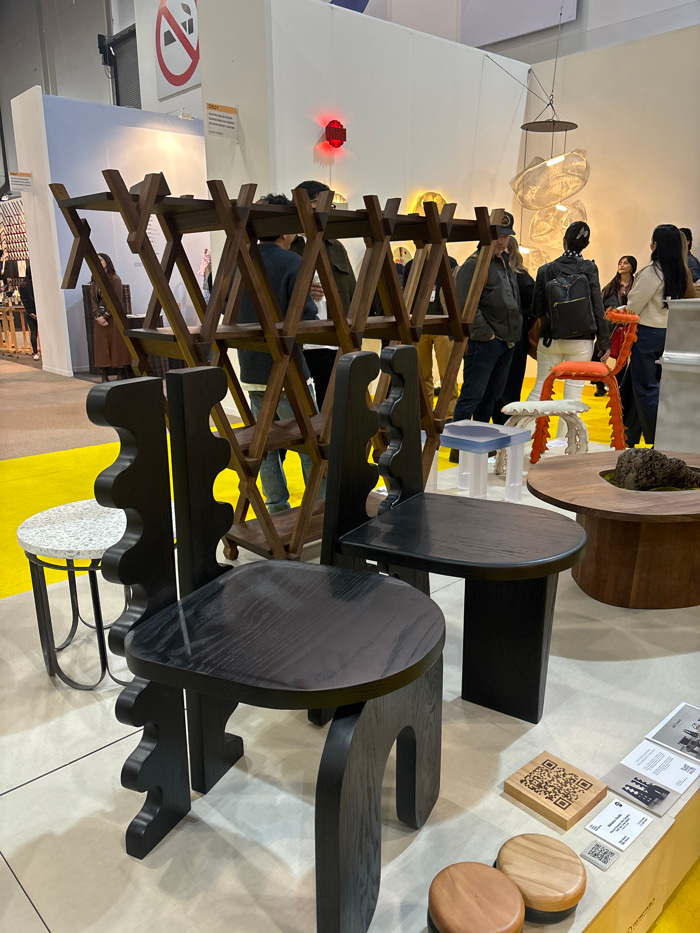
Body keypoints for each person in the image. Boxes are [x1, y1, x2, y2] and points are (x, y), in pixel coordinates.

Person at [237, 194, 321, 513]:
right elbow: (307, 317)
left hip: (251, 366)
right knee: (310, 443)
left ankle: (276, 507)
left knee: (265, 444)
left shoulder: (239, 260)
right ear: (286, 229)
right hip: (288, 369)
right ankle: (321, 505)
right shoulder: (292, 262)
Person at [527, 221, 610, 435]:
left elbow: (536, 309)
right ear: (586, 244)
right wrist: (604, 342)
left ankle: (522, 435)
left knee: (540, 387)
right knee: (572, 395)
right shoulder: (589, 269)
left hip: (550, 337)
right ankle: (565, 444)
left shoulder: (545, 270)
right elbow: (598, 307)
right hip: (582, 340)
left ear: (564, 241)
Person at [450, 211, 521, 446]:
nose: (502, 241)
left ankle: (478, 447)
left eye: (506, 236)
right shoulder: (473, 265)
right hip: (485, 343)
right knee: (472, 396)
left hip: (505, 342)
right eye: (498, 235)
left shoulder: (502, 263)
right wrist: (487, 335)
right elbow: (465, 306)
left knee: (490, 398)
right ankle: (459, 448)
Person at [622, 224, 694, 446]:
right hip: (669, 333)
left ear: (655, 245)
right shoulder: (681, 273)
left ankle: (660, 439)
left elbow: (634, 306)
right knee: (633, 388)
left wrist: (622, 310)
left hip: (646, 334)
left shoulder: (652, 272)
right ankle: (629, 437)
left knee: (645, 389)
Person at [290, 180, 356, 409]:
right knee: (301, 409)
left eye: (331, 205)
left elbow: (352, 291)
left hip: (334, 340)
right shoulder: (289, 247)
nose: (328, 210)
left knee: (335, 406)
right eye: (322, 203)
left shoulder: (336, 247)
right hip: (300, 341)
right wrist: (303, 290)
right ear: (305, 205)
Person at [403, 254, 459, 419]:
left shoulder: (449, 262)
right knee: (422, 375)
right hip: (419, 325)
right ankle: (424, 414)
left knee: (448, 374)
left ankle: (449, 415)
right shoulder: (412, 265)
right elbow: (407, 293)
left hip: (443, 324)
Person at [492, 237, 535, 422]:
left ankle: (501, 423)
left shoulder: (519, 278)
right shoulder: (523, 278)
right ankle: (506, 425)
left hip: (508, 337)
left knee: (500, 385)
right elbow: (534, 309)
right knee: (510, 386)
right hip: (515, 337)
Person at [595, 255, 637, 395]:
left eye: (626, 263)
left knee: (623, 357)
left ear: (632, 267)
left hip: (629, 327)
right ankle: (599, 385)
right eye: (620, 263)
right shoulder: (610, 287)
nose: (622, 265)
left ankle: (618, 386)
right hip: (611, 326)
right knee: (599, 353)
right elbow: (600, 306)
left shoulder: (637, 285)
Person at [90, 253, 132, 381]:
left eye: (101, 260)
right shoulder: (95, 280)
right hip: (99, 319)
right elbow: (93, 300)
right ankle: (104, 375)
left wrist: (106, 315)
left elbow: (116, 300)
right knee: (101, 347)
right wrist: (98, 316)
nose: (98, 262)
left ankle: (120, 374)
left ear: (107, 262)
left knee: (116, 345)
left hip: (113, 318)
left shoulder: (115, 279)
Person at [18, 262, 39, 360]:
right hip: (38, 310)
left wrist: (30, 312)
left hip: (30, 311)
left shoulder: (22, 285)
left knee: (33, 332)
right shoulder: (36, 284)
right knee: (45, 331)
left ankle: (35, 353)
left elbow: (23, 300)